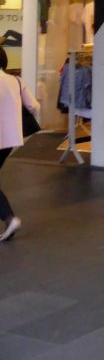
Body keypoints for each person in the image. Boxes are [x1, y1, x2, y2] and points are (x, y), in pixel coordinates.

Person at [0, 46, 40, 242]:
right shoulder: (16, 81)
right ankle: (8, 218)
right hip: (9, 139)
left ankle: (9, 217)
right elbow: (34, 106)